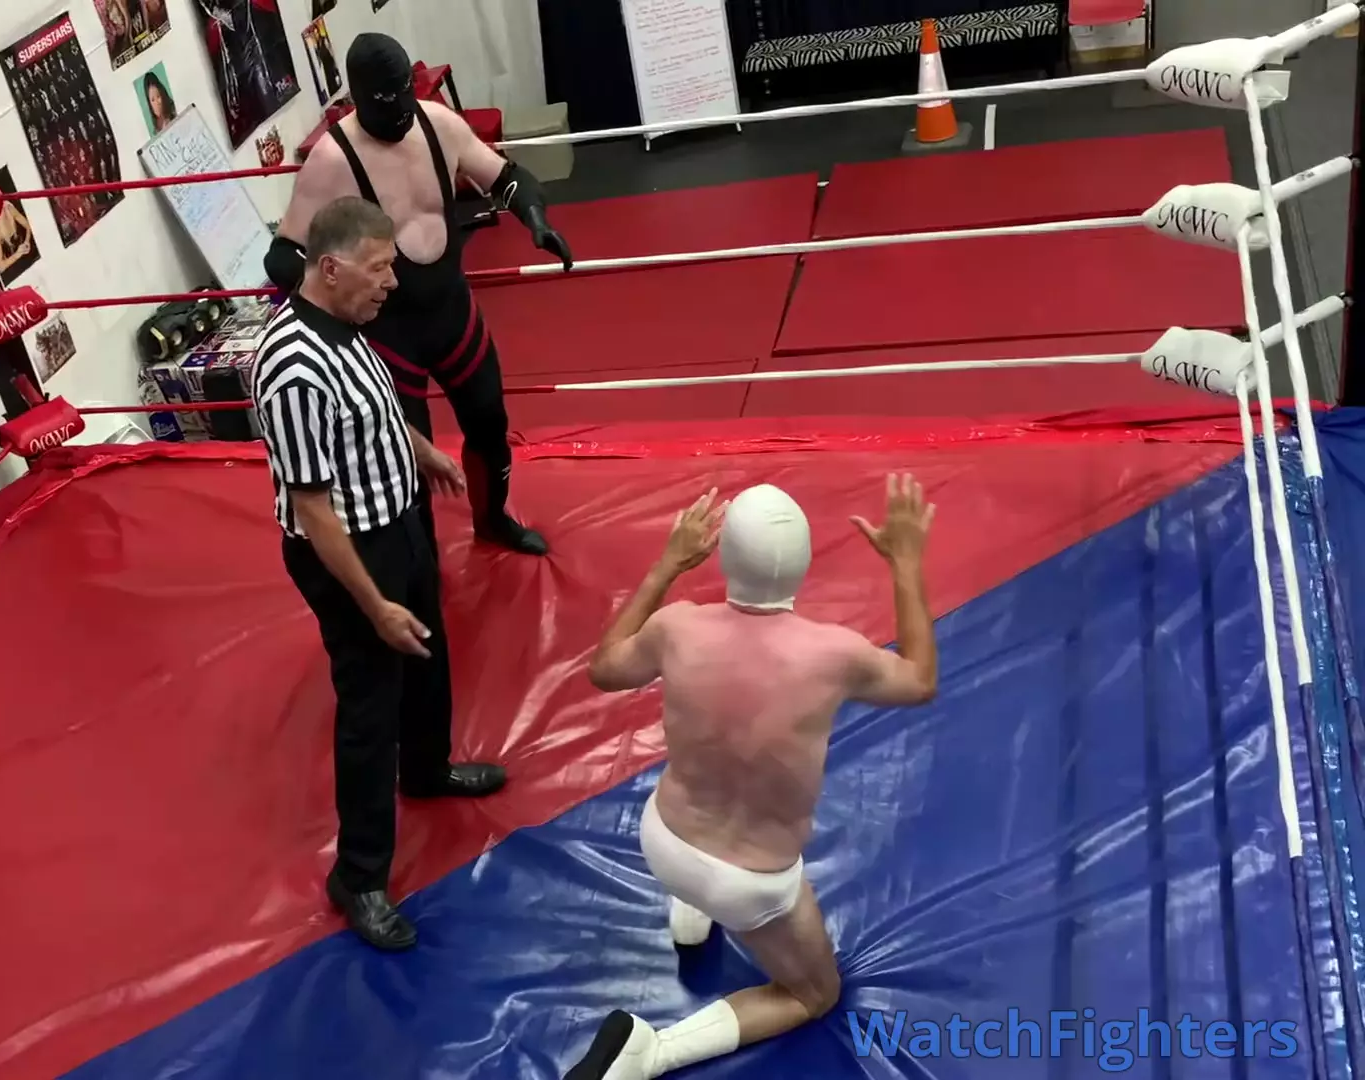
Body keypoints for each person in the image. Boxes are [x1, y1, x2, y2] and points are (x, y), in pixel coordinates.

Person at [567, 475, 939, 1079]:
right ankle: (651, 1052)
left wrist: (666, 565)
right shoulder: (835, 654)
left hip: (663, 840)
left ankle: (692, 910)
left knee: (707, 810)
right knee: (815, 993)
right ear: (805, 564)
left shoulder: (676, 626)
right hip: (750, 884)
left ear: (721, 557)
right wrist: (905, 561)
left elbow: (605, 668)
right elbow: (920, 681)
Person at [254, 196, 509, 951]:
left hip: (397, 521)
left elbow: (372, 408)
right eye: (380, 268)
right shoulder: (292, 369)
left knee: (429, 653)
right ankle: (359, 876)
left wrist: (422, 454)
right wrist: (373, 604)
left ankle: (426, 769)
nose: (392, 281)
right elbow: (313, 509)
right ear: (331, 268)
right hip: (348, 552)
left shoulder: (349, 321)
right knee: (370, 703)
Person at [267, 32, 570, 557]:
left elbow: (506, 175)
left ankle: (492, 520)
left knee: (490, 424)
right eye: (387, 103)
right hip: (388, 336)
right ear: (359, 99)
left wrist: (535, 219)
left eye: (405, 96)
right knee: (405, 458)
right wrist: (333, 305)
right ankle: (423, 558)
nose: (401, 113)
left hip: (453, 315)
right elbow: (284, 255)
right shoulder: (333, 159)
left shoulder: (439, 125)